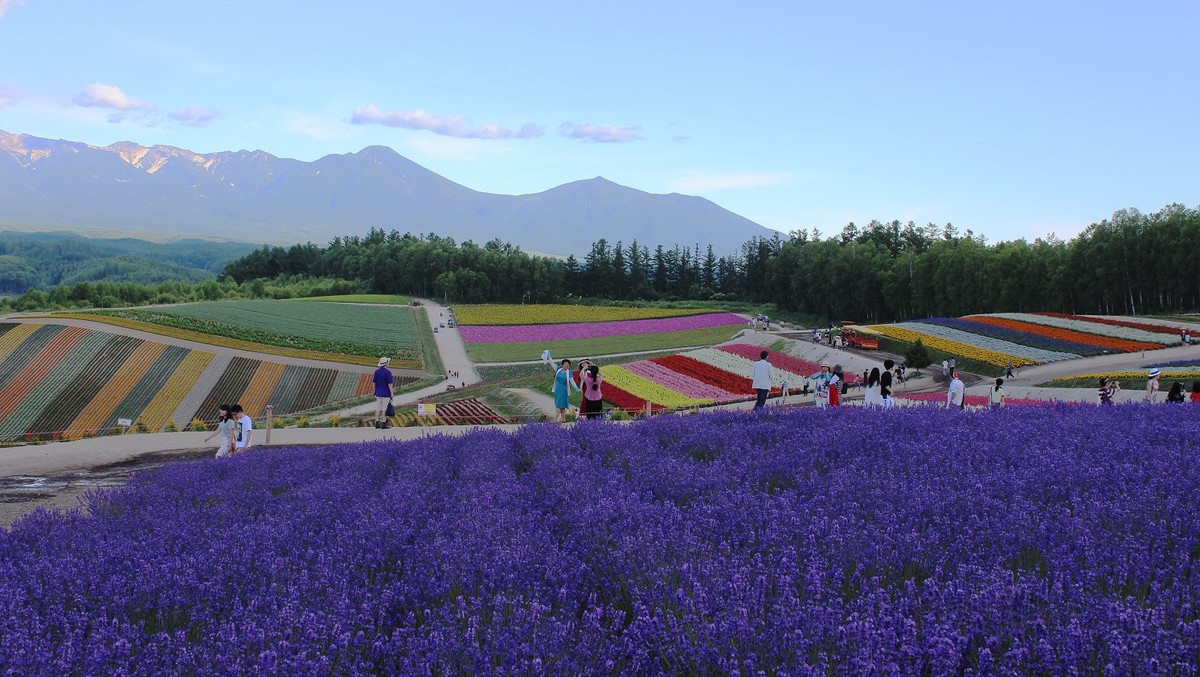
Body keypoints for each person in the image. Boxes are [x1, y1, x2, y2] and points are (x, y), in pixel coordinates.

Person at [550, 358, 579, 423]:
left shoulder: (569, 372)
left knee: (558, 404)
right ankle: (563, 419)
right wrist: (549, 357)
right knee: (562, 405)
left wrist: (577, 389)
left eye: (568, 364)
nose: (566, 365)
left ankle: (555, 419)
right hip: (558, 389)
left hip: (564, 390)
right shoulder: (559, 370)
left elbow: (572, 381)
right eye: (565, 364)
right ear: (562, 365)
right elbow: (552, 364)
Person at [373, 356, 394, 429]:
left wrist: (375, 391)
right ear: (385, 364)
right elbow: (390, 384)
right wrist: (391, 393)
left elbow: (374, 383)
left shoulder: (376, 372)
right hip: (386, 393)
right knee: (384, 408)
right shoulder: (388, 372)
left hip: (378, 392)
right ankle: (383, 423)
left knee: (378, 408)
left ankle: (376, 422)